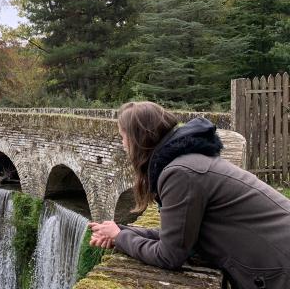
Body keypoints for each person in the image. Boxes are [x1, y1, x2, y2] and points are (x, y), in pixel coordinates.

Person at [88, 101, 290, 289]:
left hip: (281, 266)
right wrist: (121, 232)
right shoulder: (187, 162)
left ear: (138, 138)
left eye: (123, 136)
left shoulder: (181, 174)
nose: (122, 144)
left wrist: (121, 237)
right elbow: (180, 238)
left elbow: (169, 256)